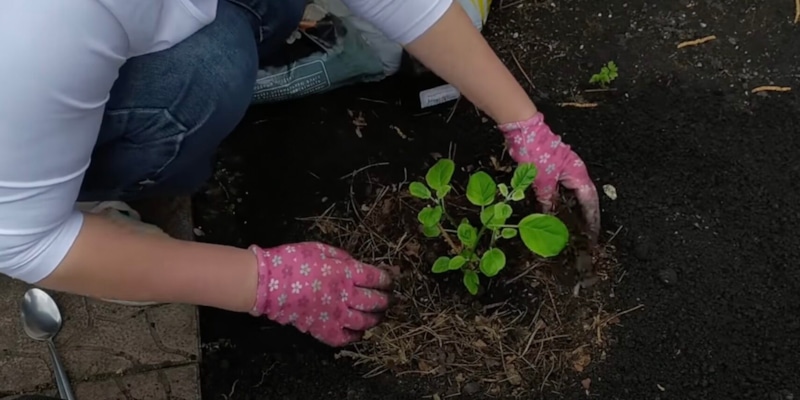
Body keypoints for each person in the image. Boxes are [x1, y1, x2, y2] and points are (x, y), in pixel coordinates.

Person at [0, 0, 600, 347]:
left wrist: (524, 124)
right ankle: (95, 202)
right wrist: (259, 282)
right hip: (19, 125)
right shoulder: (40, 27)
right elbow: (25, 240)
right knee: (207, 77)